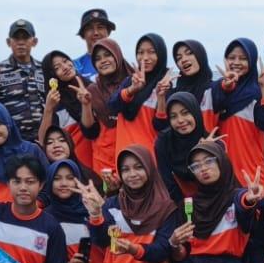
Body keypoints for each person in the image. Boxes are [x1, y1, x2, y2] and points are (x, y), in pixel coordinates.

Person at [78, 146, 181, 263]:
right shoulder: (113, 204)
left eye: (138, 167)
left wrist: (135, 250)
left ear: (149, 169)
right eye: (125, 170)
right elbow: (102, 240)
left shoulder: (166, 208)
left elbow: (162, 250)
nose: (132, 174)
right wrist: (96, 215)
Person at [211, 38, 264, 182]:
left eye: (243, 58)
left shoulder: (257, 92)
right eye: (231, 57)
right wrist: (225, 88)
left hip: (252, 166)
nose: (236, 62)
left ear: (252, 61)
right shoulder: (216, 90)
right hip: (222, 167)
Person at [0, 19, 44, 142]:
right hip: (13, 140)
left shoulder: (44, 69)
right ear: (8, 42)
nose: (21, 42)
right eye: (16, 38)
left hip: (43, 137)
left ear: (34, 41)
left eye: (25, 38)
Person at [77, 38, 132, 189]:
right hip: (105, 164)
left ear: (117, 55)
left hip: (133, 159)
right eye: (98, 58)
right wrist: (86, 105)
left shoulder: (134, 82)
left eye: (107, 55)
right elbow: (90, 131)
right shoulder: (93, 90)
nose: (103, 61)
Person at [109, 33, 170, 153]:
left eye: (151, 52)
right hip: (125, 154)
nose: (145, 57)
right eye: (140, 52)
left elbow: (162, 126)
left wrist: (161, 97)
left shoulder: (166, 84)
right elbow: (112, 107)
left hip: (149, 155)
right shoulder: (130, 80)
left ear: (161, 54)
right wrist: (132, 90)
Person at [38, 50, 92, 170]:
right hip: (75, 163)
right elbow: (43, 140)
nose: (65, 67)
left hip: (100, 155)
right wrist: (48, 109)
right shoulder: (54, 100)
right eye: (57, 67)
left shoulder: (91, 87)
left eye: (65, 61)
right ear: (52, 75)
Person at [154, 92, 210, 201]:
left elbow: (221, 184)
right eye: (173, 116)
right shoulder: (164, 142)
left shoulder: (210, 142)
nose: (180, 120)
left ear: (195, 112)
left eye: (185, 113)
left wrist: (207, 153)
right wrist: (185, 207)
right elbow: (167, 183)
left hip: (210, 199)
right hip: (180, 201)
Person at [159, 40, 216, 133]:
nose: (183, 60)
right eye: (178, 58)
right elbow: (160, 126)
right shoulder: (173, 94)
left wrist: (229, 84)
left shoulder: (214, 89)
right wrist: (161, 97)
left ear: (201, 55)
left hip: (205, 142)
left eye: (189, 53)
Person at [72, 8, 116, 80]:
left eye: (100, 27)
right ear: (83, 35)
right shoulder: (74, 66)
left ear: (108, 32)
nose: (96, 33)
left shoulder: (120, 63)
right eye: (90, 28)